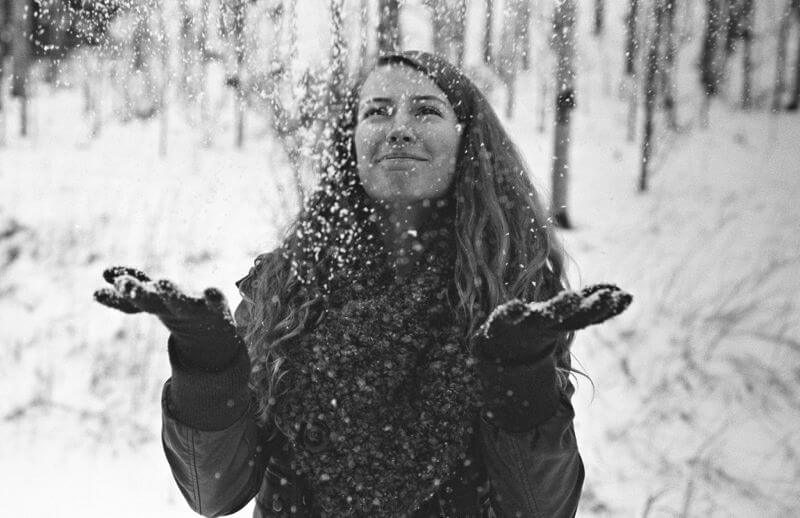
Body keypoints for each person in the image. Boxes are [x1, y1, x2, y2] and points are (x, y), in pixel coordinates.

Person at [94, 51, 631, 518]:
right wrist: (207, 370)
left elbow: (540, 508)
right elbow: (215, 494)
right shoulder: (287, 287)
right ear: (351, 144)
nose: (399, 127)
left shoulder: (508, 289)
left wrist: (521, 382)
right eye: (377, 111)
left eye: (426, 109)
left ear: (468, 141)